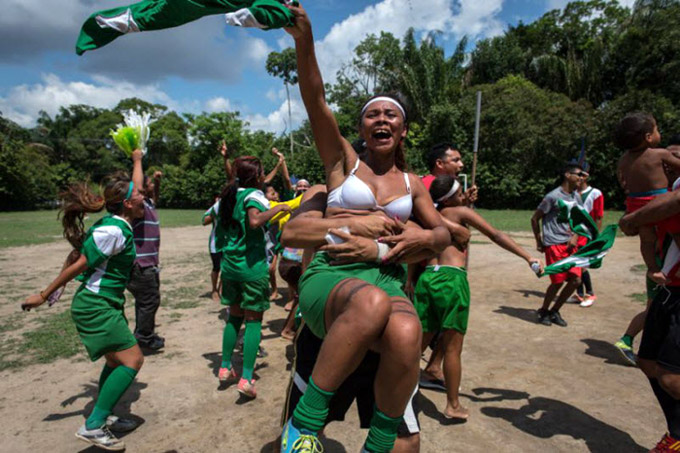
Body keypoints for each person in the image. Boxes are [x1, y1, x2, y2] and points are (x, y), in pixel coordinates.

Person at [280, 5, 451, 452]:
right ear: (358, 128)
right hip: (335, 282)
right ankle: (306, 423)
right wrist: (304, 42)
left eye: (389, 115)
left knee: (407, 332)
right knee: (372, 302)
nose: (380, 119)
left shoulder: (414, 185)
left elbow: (445, 235)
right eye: (371, 115)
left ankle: (376, 444)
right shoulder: (340, 167)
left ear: (404, 131)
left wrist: (421, 238)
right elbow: (316, 101)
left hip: (387, 281)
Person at [21, 173, 146, 451]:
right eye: (138, 193)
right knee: (133, 360)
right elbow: (80, 263)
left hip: (106, 302)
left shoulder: (118, 225)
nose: (144, 196)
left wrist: (138, 157)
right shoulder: (113, 230)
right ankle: (93, 425)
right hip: (96, 305)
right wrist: (43, 295)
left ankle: (103, 415)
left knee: (115, 361)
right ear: (126, 203)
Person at [413, 175, 542, 420]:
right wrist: (528, 257)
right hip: (452, 280)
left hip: (428, 277)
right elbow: (495, 235)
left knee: (416, 344)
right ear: (451, 197)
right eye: (460, 192)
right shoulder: (460, 212)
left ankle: (393, 389)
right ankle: (453, 405)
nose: (464, 195)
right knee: (452, 348)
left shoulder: (426, 215)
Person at [215, 156, 291, 399]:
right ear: (257, 176)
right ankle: (247, 378)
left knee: (234, 317)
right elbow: (255, 220)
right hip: (251, 267)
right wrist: (278, 207)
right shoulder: (255, 196)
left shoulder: (229, 196)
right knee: (254, 320)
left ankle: (225, 367)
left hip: (231, 267)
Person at [618, 172, 680, 453]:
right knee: (648, 361)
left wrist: (633, 218)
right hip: (669, 289)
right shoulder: (660, 196)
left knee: (670, 377)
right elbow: (643, 232)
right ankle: (677, 434)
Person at [615, 135, 680, 365]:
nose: (669, 166)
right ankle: (628, 340)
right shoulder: (662, 192)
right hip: (663, 273)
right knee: (654, 310)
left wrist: (634, 217)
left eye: (675, 159)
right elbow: (633, 229)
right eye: (666, 161)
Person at [617, 112, 680, 286]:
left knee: (647, 240)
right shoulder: (659, 154)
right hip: (660, 201)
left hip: (635, 203)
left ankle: (653, 269)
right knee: (676, 232)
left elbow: (622, 180)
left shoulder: (623, 159)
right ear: (648, 137)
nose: (659, 133)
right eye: (657, 129)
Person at [530, 162, 585, 327]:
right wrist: (539, 240)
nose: (581, 178)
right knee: (557, 282)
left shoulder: (577, 196)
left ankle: (555, 311)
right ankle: (544, 311)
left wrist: (575, 235)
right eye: (579, 174)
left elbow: (579, 218)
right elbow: (535, 218)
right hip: (554, 244)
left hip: (571, 246)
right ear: (568, 175)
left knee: (576, 281)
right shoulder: (552, 196)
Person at [126, 149, 164, 351]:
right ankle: (144, 338)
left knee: (146, 302)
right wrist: (137, 161)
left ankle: (142, 333)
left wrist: (157, 182)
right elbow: (137, 189)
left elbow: (152, 193)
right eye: (148, 184)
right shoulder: (138, 209)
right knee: (149, 302)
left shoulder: (148, 204)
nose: (148, 187)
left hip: (148, 265)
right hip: (141, 266)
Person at [572, 165, 604, 307]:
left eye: (579, 175)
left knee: (582, 265)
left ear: (585, 177)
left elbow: (598, 217)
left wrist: (595, 238)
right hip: (574, 234)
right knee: (575, 264)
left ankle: (590, 293)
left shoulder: (596, 193)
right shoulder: (572, 193)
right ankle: (579, 294)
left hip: (587, 235)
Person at [203, 195, 222, 302]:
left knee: (227, 267)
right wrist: (215, 213)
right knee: (217, 267)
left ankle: (221, 288)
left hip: (229, 242)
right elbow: (204, 221)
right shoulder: (216, 207)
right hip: (216, 243)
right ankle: (214, 290)